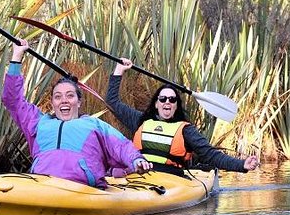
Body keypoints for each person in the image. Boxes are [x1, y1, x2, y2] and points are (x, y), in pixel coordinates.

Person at [2, 41, 152, 187]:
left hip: (84, 187)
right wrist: (16, 57)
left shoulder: (94, 125)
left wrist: (136, 160)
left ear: (79, 102)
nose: (64, 101)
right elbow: (12, 100)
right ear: (53, 103)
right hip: (43, 185)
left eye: (70, 95)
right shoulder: (38, 122)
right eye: (58, 97)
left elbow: (121, 146)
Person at [106, 58, 260, 175]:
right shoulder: (140, 120)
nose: (167, 102)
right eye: (163, 99)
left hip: (172, 182)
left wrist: (241, 165)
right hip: (140, 177)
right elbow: (112, 101)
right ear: (156, 104)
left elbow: (210, 155)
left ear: (176, 105)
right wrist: (119, 70)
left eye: (172, 99)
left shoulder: (186, 130)